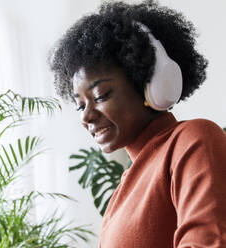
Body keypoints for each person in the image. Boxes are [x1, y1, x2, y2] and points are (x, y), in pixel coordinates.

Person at [49, 0, 226, 247]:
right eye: (80, 105)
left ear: (148, 83)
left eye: (100, 96)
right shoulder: (124, 188)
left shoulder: (192, 139)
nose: (86, 116)